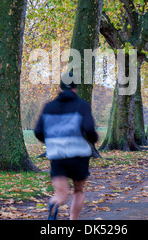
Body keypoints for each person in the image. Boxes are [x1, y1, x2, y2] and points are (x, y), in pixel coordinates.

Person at [34, 72, 99, 220]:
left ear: (61, 87)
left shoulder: (48, 107)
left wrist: (52, 141)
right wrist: (94, 138)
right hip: (79, 155)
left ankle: (55, 204)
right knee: (78, 191)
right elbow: (89, 129)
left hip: (57, 155)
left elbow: (38, 131)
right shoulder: (82, 105)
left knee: (61, 194)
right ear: (75, 87)